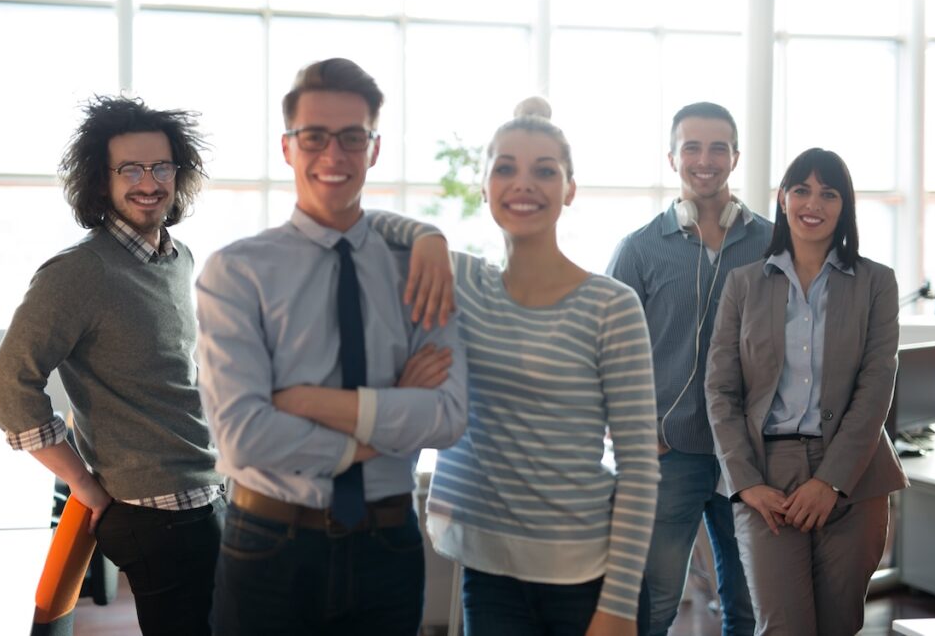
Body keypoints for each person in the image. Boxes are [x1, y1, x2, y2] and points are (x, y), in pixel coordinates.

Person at [195, 57, 468, 636]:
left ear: (373, 149)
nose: (333, 155)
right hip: (269, 546)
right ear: (288, 147)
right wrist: (389, 414)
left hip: (388, 548)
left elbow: (445, 417)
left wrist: (303, 402)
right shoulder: (237, 270)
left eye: (351, 137)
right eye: (315, 136)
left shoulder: (420, 270)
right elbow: (243, 435)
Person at [369, 96, 660, 636]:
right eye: (505, 168)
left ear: (569, 189)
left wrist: (618, 604)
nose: (523, 184)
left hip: (589, 580)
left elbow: (639, 467)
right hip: (489, 570)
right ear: (483, 187)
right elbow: (357, 225)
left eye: (544, 171)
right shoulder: (462, 284)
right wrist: (427, 235)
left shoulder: (610, 305)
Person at [0, 96, 223, 636]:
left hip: (204, 491)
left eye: (161, 166)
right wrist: (83, 485)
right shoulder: (77, 273)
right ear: (100, 180)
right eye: (130, 169)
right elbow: (7, 390)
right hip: (152, 511)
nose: (149, 181)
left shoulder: (177, 256)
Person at [705, 147, 907, 636]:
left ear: (844, 206)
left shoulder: (876, 283)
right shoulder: (743, 284)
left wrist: (831, 481)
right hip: (765, 478)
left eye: (829, 192)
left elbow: (876, 386)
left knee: (840, 625)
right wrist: (745, 481)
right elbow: (721, 389)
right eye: (801, 189)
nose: (813, 203)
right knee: (782, 626)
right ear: (782, 198)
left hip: (853, 477)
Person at [607, 102, 770, 636]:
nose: (706, 160)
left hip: (748, 455)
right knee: (653, 607)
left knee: (749, 604)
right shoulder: (639, 248)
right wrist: (633, 433)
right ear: (673, 156)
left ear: (735, 156)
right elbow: (606, 351)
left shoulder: (772, 244)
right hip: (667, 452)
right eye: (692, 147)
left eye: (718, 147)